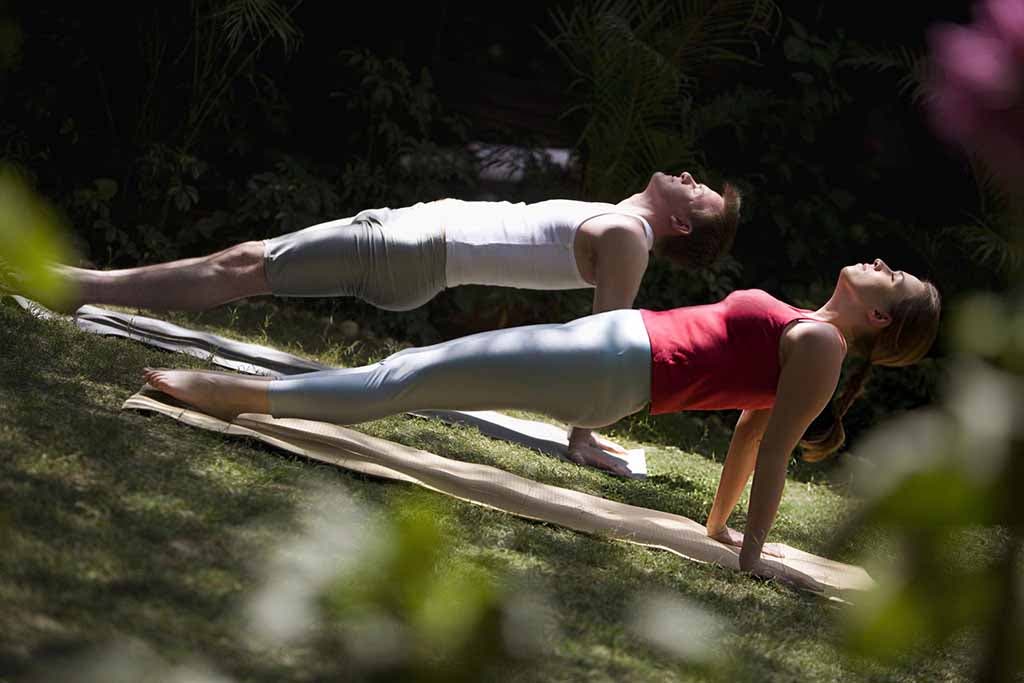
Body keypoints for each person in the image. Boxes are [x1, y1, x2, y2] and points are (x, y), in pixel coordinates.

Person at [141, 258, 941, 587]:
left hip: (611, 368)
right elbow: (744, 432)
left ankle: (231, 393)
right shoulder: (811, 325)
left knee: (407, 379)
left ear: (877, 312)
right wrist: (718, 525)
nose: (878, 260)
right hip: (609, 352)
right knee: (412, 375)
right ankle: (240, 392)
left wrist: (751, 554)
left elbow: (769, 450)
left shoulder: (821, 344)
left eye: (891, 275)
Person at [60, 169, 741, 463]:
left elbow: (599, 339)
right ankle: (89, 287)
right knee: (246, 268)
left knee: (243, 266)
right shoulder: (623, 221)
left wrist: (582, 431)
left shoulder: (628, 236)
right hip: (413, 246)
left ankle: (84, 287)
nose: (686, 175)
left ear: (680, 221)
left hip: (408, 252)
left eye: (695, 189)